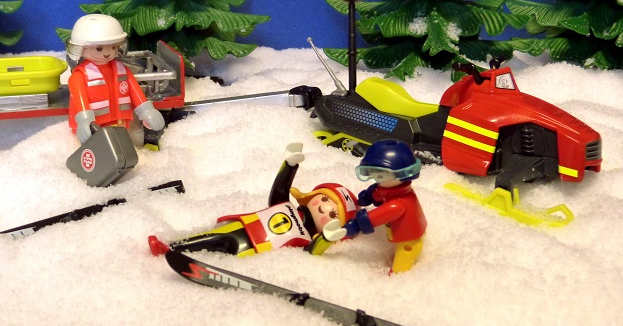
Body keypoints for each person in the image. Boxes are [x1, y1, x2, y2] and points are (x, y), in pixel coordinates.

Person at [148, 143, 358, 257]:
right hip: (245, 225)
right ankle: (169, 247)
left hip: (257, 250)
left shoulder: (305, 240)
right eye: (324, 199)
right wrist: (290, 165)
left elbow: (311, 252)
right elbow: (279, 190)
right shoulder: (285, 205)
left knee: (223, 254)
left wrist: (326, 239)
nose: (324, 209)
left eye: (333, 214)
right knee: (209, 238)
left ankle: (180, 256)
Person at [323, 139, 427, 273]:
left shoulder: (397, 205)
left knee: (399, 270)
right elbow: (384, 193)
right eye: (372, 173)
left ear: (402, 175)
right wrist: (371, 195)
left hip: (409, 242)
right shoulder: (394, 191)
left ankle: (395, 279)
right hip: (404, 233)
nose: (376, 179)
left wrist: (357, 225)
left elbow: (374, 218)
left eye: (381, 176)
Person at [66, 14, 164, 143]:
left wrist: (146, 110)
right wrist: (84, 120)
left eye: (113, 47)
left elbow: (135, 91)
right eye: (99, 48)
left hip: (120, 122)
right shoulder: (80, 76)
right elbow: (80, 100)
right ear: (80, 49)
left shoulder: (121, 69)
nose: (108, 53)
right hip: (95, 125)